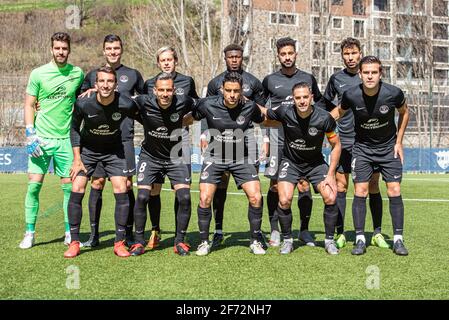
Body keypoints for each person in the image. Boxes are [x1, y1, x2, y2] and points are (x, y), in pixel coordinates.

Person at [330, 56, 410, 256]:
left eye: (374, 72)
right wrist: (317, 121)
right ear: (360, 74)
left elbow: (405, 113)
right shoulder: (351, 95)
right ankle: (359, 240)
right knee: (361, 191)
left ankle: (398, 240)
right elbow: (338, 112)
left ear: (381, 73)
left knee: (393, 189)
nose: (370, 76)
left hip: (388, 148)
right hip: (363, 149)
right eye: (366, 72)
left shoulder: (393, 93)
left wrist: (399, 142)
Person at [262, 37, 334, 247]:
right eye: (283, 54)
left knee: (304, 185)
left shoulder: (308, 78)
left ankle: (304, 230)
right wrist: (267, 133)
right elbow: (260, 109)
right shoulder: (269, 80)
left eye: (290, 53)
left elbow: (320, 106)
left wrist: (317, 133)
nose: (287, 57)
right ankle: (275, 229)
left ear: (295, 54)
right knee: (276, 185)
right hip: (278, 139)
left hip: (304, 140)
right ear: (278, 56)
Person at [64, 66, 140, 258]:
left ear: (116, 84)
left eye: (110, 81)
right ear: (95, 84)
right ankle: (74, 242)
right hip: (88, 151)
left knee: (122, 187)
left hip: (114, 151)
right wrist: (77, 158)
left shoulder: (125, 103)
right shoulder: (83, 104)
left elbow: (146, 116)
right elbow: (74, 129)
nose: (106, 85)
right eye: (102, 81)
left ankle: (119, 242)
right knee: (78, 186)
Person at [20, 32, 84, 249]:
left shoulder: (77, 73)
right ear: (51, 49)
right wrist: (30, 133)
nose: (61, 52)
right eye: (57, 48)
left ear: (69, 50)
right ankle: (29, 233)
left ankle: (69, 233)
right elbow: (30, 104)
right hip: (41, 140)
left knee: (69, 189)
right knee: (33, 187)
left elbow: (83, 97)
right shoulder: (38, 73)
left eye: (64, 48)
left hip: (66, 140)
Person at [79, 34, 145, 248]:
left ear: (121, 49)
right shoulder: (92, 75)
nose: (113, 52)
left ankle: (128, 234)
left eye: (116, 48)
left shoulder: (133, 74)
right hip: (97, 141)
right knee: (96, 183)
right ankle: (94, 234)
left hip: (123, 139)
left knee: (125, 185)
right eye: (109, 48)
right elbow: (80, 101)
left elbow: (144, 101)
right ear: (104, 50)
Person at [261, 82, 341, 254]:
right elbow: (265, 112)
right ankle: (288, 240)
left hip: (316, 164)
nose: (302, 101)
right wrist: (245, 102)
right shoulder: (285, 112)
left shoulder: (324, 118)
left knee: (331, 197)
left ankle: (329, 241)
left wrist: (331, 174)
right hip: (291, 163)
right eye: (298, 98)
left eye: (305, 97)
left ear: (311, 97)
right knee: (284, 199)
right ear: (293, 99)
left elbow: (336, 145)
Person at [192, 72, 266, 256]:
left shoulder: (249, 106)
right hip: (214, 156)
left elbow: (264, 119)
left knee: (256, 196)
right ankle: (203, 242)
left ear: (242, 91)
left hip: (241, 156)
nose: (232, 95)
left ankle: (255, 240)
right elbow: (190, 118)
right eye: (228, 90)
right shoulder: (207, 104)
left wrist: (267, 138)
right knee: (205, 198)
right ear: (221, 90)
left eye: (236, 91)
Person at [324, 37, 387, 249]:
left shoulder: (370, 77)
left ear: (360, 54)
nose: (350, 58)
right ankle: (342, 233)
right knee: (341, 186)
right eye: (346, 54)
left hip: (369, 143)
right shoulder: (335, 79)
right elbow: (327, 108)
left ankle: (377, 233)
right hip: (345, 141)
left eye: (353, 53)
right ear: (342, 56)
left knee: (372, 186)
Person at [131, 72, 194, 256]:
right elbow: (120, 101)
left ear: (174, 90)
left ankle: (180, 242)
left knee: (184, 197)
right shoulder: (143, 101)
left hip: (176, 157)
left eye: (168, 90)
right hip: (150, 156)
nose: (165, 94)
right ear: (154, 90)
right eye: (161, 90)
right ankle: (138, 242)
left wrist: (185, 121)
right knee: (143, 196)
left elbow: (202, 108)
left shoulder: (184, 101)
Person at [143, 46, 199, 250]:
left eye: (170, 59)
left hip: (180, 141)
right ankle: (155, 230)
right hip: (156, 144)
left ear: (176, 61)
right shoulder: (150, 83)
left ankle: (179, 237)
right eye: (162, 60)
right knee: (153, 190)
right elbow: (144, 107)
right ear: (158, 63)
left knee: (181, 191)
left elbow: (197, 106)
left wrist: (186, 121)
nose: (166, 63)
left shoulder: (187, 81)